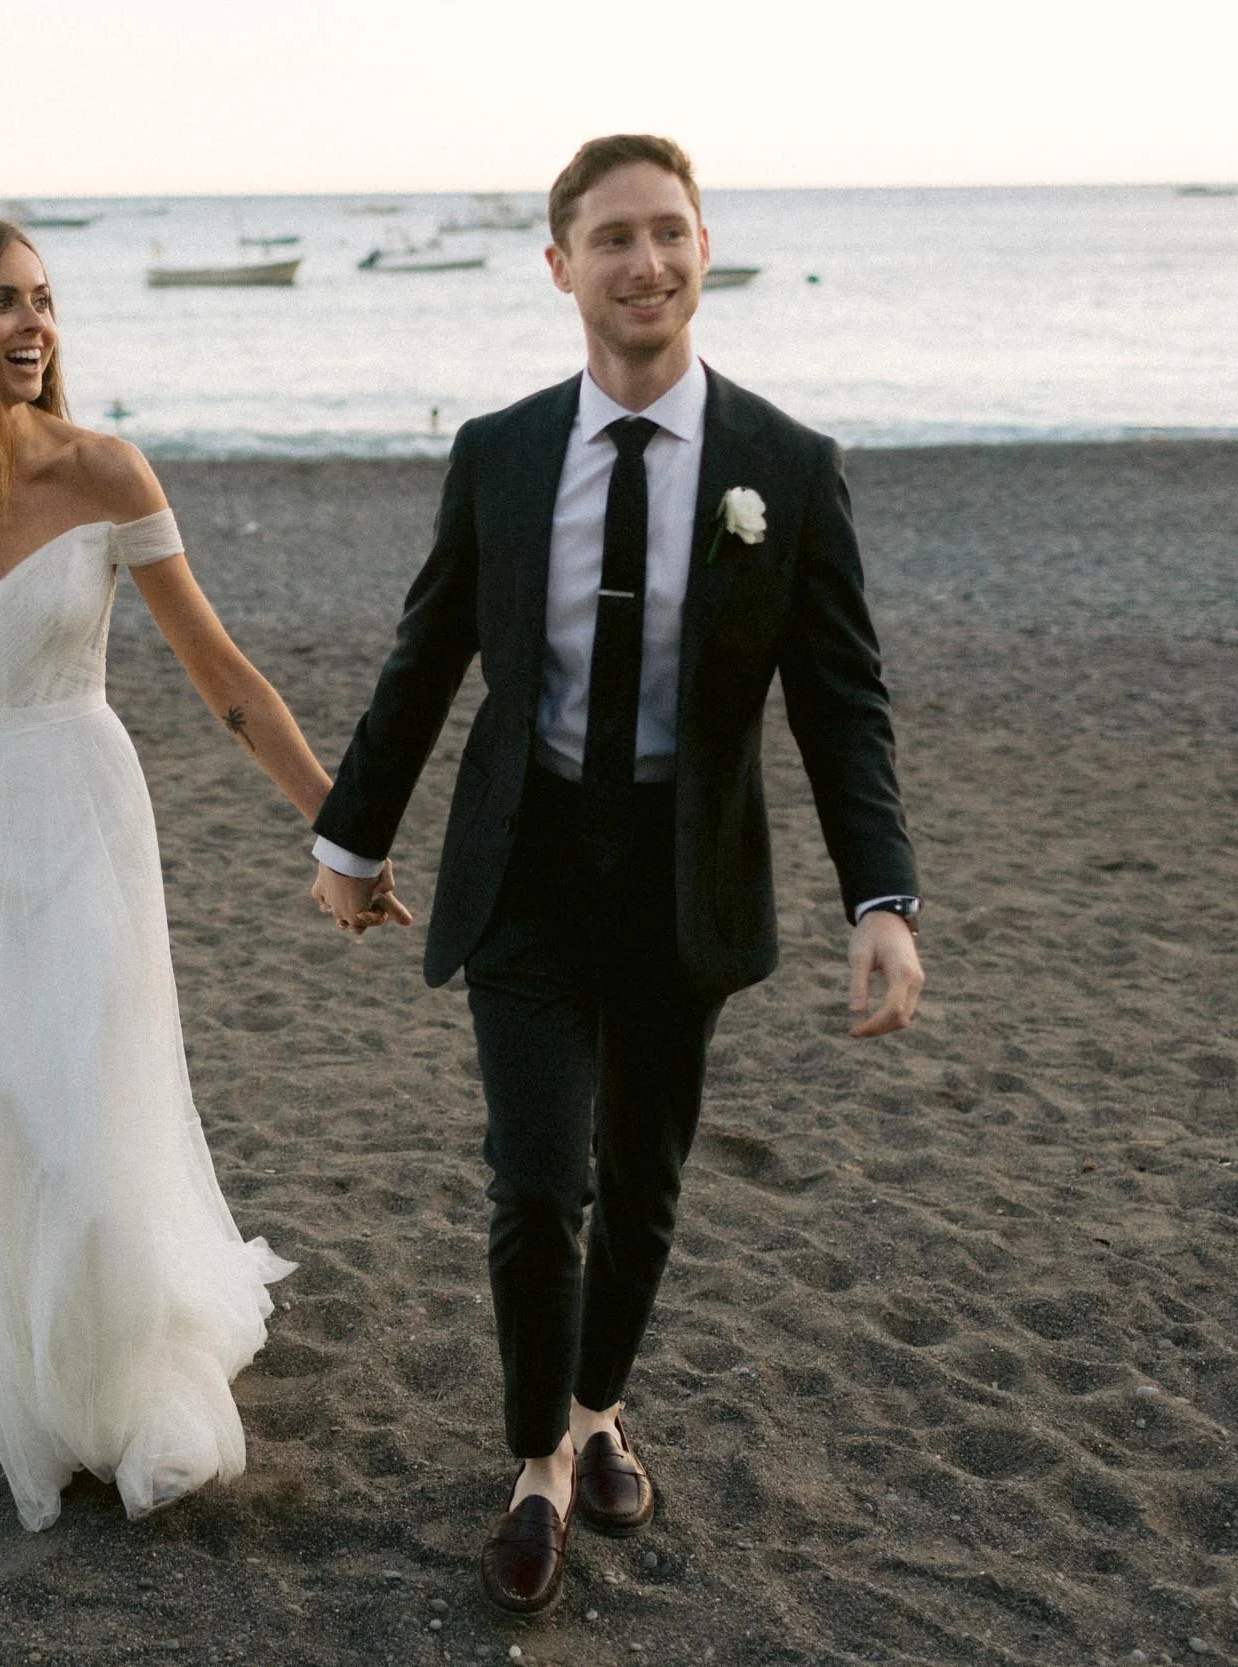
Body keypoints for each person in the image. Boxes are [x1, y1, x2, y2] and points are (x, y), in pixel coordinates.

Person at [306, 136, 926, 1613]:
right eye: (612, 239)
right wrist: (349, 838)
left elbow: (843, 704)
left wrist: (883, 902)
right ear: (560, 266)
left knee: (641, 1183)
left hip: (681, 876)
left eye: (669, 233)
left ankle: (598, 1409)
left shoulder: (787, 467)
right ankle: (536, 1462)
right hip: (524, 864)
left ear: (706, 247)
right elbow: (426, 656)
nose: (644, 263)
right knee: (539, 1185)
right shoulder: (503, 454)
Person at [0, 217, 401, 1531]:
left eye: (44, 300)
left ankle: (105, 1372)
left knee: (78, 1111)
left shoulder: (105, 473)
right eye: (1, 304)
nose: (33, 325)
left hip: (82, 815)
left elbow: (222, 674)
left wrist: (343, 825)